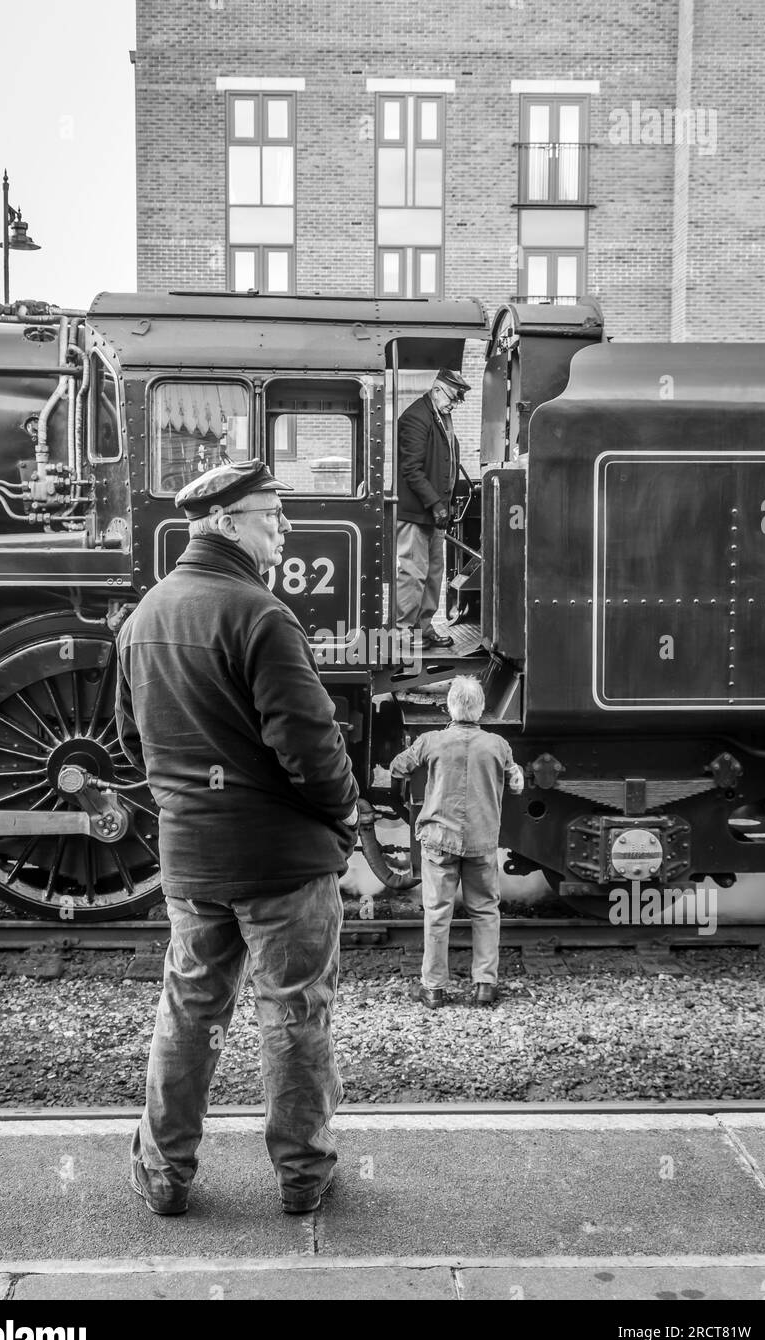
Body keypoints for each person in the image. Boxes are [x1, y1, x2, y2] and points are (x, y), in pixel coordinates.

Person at [115, 457, 360, 1218]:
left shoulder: (144, 618)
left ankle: (164, 1175)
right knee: (293, 1014)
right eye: (271, 515)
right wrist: (345, 813)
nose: (284, 528)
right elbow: (311, 748)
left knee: (189, 1012)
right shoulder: (261, 616)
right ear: (226, 522)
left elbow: (133, 743)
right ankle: (303, 1175)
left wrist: (188, 807)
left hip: (193, 862)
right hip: (282, 863)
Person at [389, 675, 524, 1008]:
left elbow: (397, 767)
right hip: (481, 842)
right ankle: (485, 985)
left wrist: (408, 787)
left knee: (437, 913)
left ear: (450, 707)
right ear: (481, 708)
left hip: (439, 841)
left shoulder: (430, 741)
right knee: (486, 912)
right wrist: (513, 775)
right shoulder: (498, 745)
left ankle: (433, 989)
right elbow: (516, 782)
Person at [395, 367, 471, 648]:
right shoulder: (416, 417)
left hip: (434, 513)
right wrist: (436, 504)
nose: (455, 404)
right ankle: (403, 632)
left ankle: (423, 627)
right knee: (412, 574)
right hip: (416, 512)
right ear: (437, 389)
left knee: (432, 574)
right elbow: (411, 469)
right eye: (452, 397)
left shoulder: (441, 416)